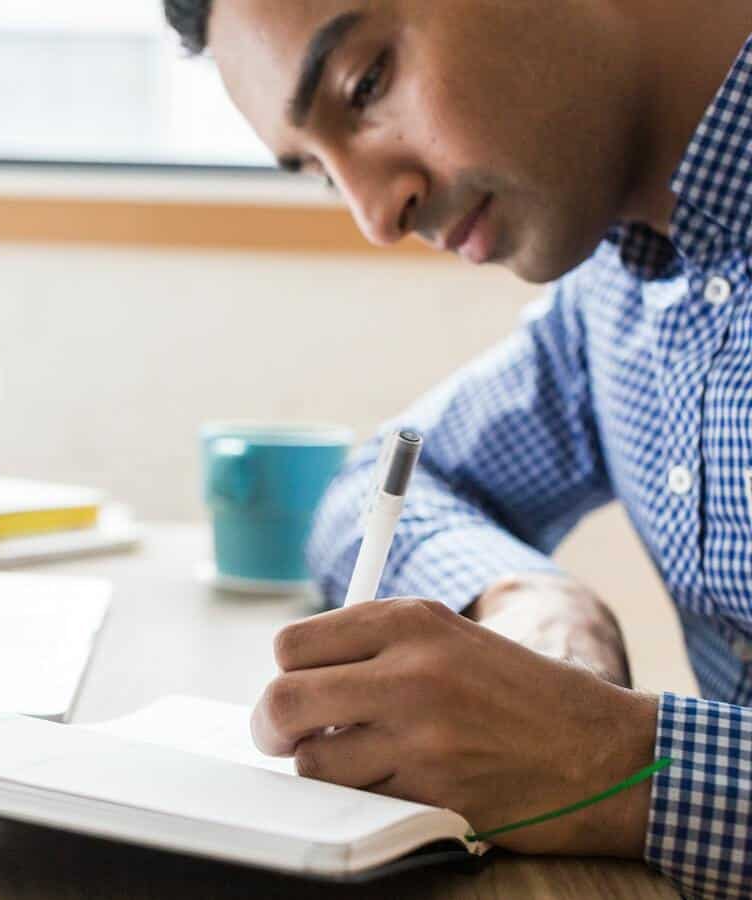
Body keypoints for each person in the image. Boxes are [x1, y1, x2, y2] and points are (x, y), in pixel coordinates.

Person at [163, 1, 752, 896]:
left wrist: (611, 760)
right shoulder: (617, 296)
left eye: (366, 85)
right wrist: (534, 600)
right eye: (321, 172)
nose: (374, 215)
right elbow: (378, 483)